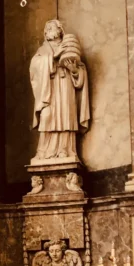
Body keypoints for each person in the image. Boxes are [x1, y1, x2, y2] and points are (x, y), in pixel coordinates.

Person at [29, 19, 90, 164]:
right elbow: (34, 68)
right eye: (47, 29)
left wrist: (74, 70)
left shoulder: (69, 47)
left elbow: (81, 71)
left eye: (51, 27)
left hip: (65, 86)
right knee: (47, 115)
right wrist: (53, 57)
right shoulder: (42, 51)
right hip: (49, 89)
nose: (48, 31)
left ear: (60, 30)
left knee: (65, 115)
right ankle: (43, 152)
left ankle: (65, 149)